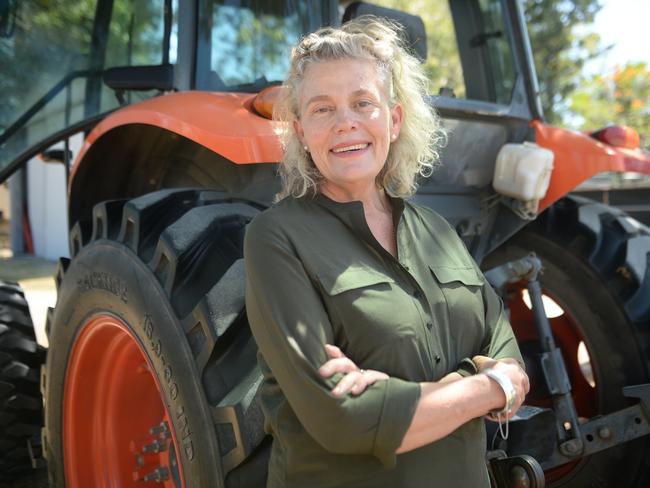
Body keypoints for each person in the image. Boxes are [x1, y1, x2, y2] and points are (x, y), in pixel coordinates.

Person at [244, 17, 529, 488]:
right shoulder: (276, 238)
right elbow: (344, 417)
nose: (346, 123)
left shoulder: (436, 231)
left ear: (393, 120)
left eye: (363, 103)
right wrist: (486, 385)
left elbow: (507, 352)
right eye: (322, 109)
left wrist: (419, 396)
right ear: (300, 130)